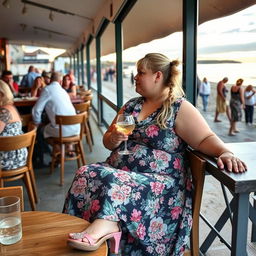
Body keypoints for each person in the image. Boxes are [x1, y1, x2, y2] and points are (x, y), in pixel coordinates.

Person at [63, 53, 246, 256]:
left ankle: (104, 227)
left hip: (161, 185)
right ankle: (95, 228)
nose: (135, 77)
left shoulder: (179, 108)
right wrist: (113, 138)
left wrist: (224, 152)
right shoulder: (132, 105)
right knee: (85, 172)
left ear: (158, 76)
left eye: (141, 73)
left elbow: (204, 139)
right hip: (120, 170)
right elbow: (107, 141)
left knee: (112, 182)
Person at [32, 72, 79, 166]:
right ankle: (59, 151)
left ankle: (50, 155)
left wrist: (37, 122)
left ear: (50, 80)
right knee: (49, 128)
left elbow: (36, 110)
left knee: (40, 131)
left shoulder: (47, 90)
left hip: (63, 130)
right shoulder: (63, 91)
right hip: (76, 129)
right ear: (61, 81)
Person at [0, 80, 27, 169]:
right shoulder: (11, 107)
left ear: (1, 94)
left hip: (10, 158)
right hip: (19, 154)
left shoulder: (4, 111)